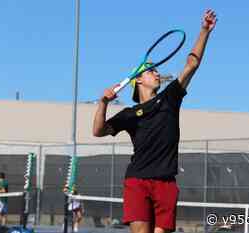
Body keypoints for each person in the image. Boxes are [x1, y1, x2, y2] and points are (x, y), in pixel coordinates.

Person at [93, 9, 217, 233]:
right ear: (138, 80)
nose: (157, 73)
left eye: (157, 70)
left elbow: (192, 65)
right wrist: (102, 103)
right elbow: (98, 131)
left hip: (166, 183)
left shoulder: (170, 97)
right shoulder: (129, 114)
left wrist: (204, 31)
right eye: (151, 71)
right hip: (137, 181)